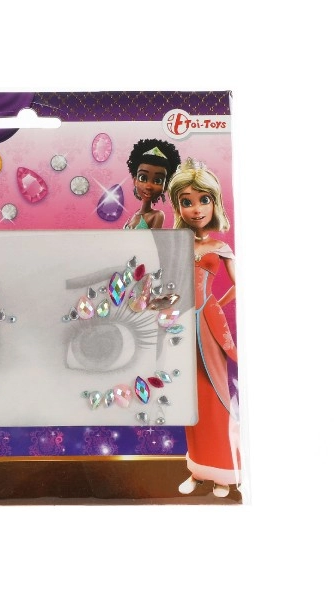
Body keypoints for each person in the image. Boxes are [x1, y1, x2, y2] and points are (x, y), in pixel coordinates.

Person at [167, 158, 240, 498]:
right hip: (180, 324)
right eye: (187, 201)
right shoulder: (177, 243)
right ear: (178, 206)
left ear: (214, 203)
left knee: (215, 394)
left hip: (208, 326)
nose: (196, 209)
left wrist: (215, 305)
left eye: (204, 200)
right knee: (189, 396)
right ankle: (197, 468)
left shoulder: (219, 247)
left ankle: (223, 473)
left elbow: (241, 285)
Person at [123, 138, 181, 229]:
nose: (149, 186)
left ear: (165, 186)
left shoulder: (157, 215)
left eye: (158, 181)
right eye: (143, 178)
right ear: (135, 181)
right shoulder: (134, 215)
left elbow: (153, 238)